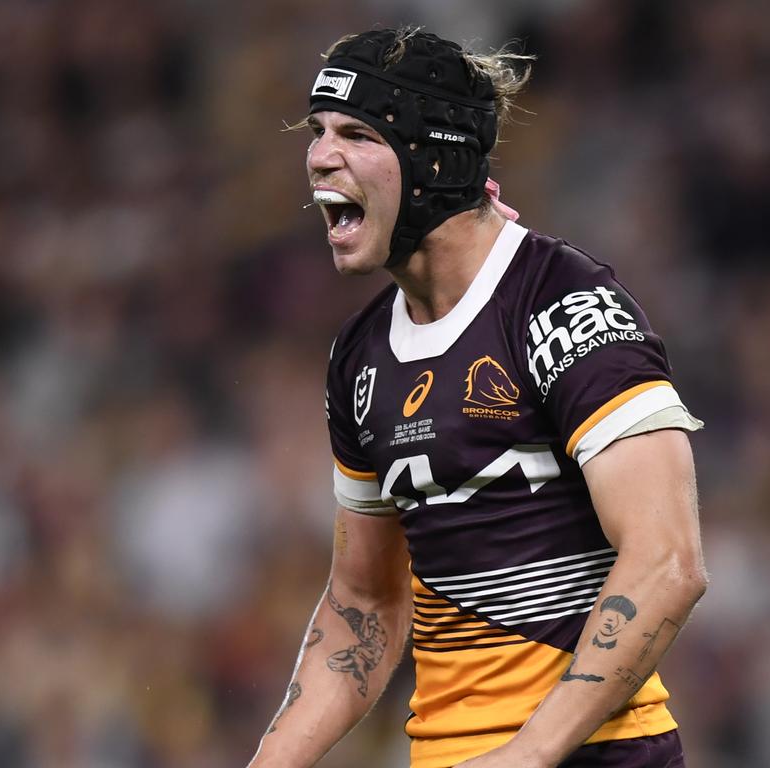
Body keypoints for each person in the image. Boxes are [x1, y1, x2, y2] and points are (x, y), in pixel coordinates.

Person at [247, 27, 708, 768]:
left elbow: (668, 560)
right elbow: (364, 605)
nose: (319, 156)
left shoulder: (567, 304)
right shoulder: (358, 357)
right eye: (317, 132)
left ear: (434, 157)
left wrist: (530, 753)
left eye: (357, 133)